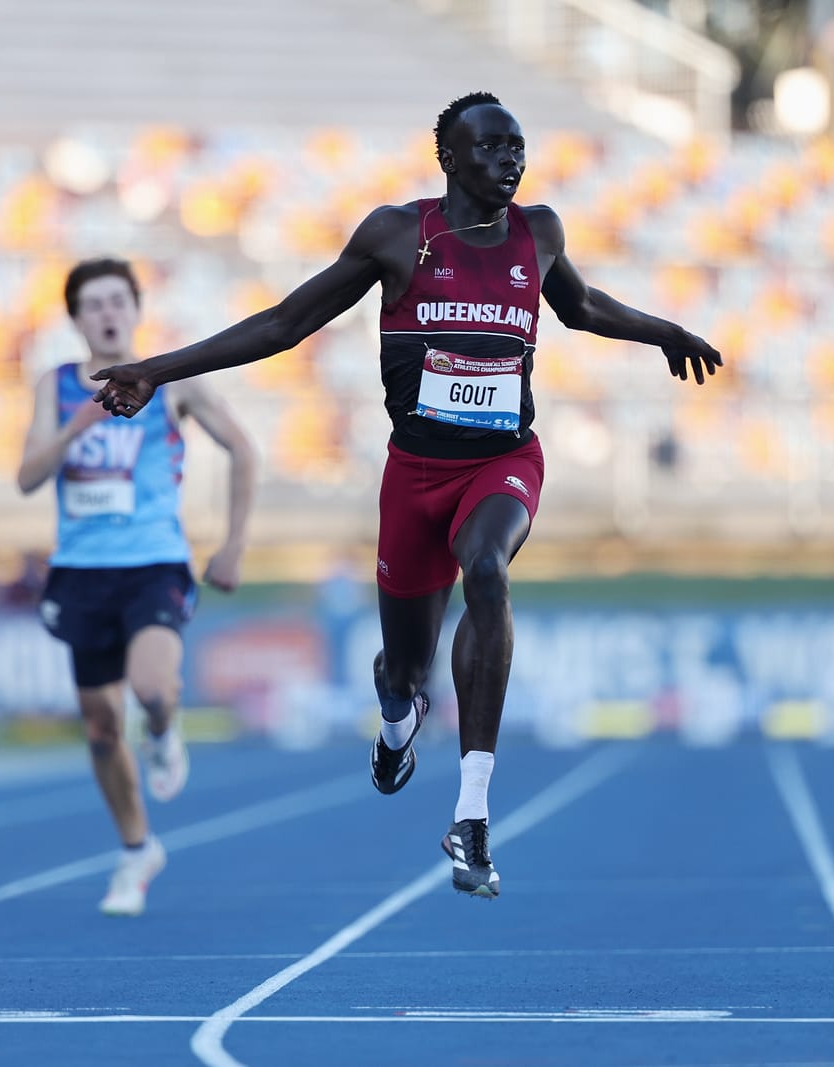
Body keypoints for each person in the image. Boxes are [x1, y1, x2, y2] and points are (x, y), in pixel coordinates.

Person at [91, 92, 722, 899]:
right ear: (450, 159)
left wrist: (663, 330)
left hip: (503, 463)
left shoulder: (541, 231)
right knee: (404, 671)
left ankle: (472, 813)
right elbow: (287, 323)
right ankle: (397, 726)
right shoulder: (399, 235)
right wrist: (157, 369)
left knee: (487, 570)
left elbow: (584, 306)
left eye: (518, 148)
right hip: (415, 478)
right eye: (492, 149)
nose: (511, 162)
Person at [17, 257, 255, 917]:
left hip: (153, 561)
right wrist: (74, 428)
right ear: (76, 318)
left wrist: (233, 543)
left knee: (152, 688)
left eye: (118, 300)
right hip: (80, 569)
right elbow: (27, 477)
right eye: (92, 304)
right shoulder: (56, 385)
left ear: (136, 308)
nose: (107, 313)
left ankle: (163, 726)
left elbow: (243, 448)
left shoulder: (171, 380)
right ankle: (135, 849)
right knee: (98, 727)